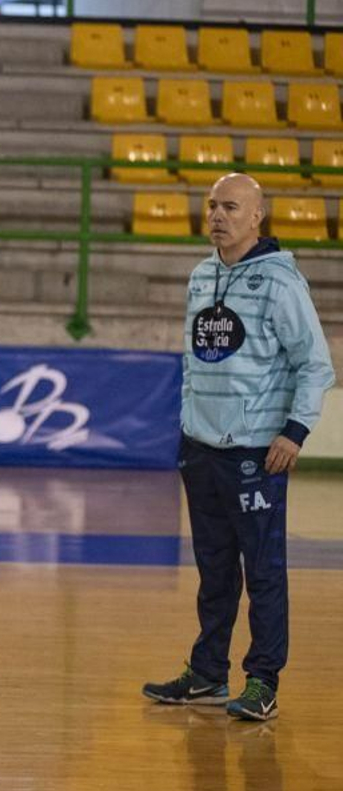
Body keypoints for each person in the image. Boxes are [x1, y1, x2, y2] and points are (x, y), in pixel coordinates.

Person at [143, 172, 334, 721]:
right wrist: (187, 427)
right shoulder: (201, 275)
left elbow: (315, 364)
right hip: (201, 448)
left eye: (230, 207)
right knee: (215, 570)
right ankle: (207, 673)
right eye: (211, 206)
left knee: (264, 571)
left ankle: (263, 681)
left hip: (256, 452)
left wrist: (295, 431)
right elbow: (194, 362)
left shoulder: (280, 282)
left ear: (257, 217)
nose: (217, 216)